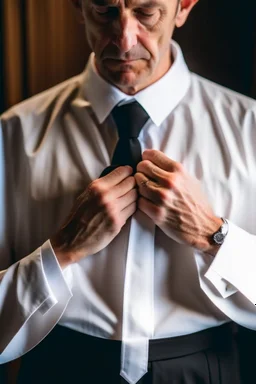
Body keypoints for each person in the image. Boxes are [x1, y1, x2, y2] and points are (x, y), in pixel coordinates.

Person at [0, 0, 256, 383]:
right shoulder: (13, 135)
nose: (123, 41)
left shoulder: (249, 129)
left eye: (146, 12)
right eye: (104, 12)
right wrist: (64, 249)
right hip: (59, 370)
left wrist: (212, 234)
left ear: (183, 7)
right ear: (79, 7)